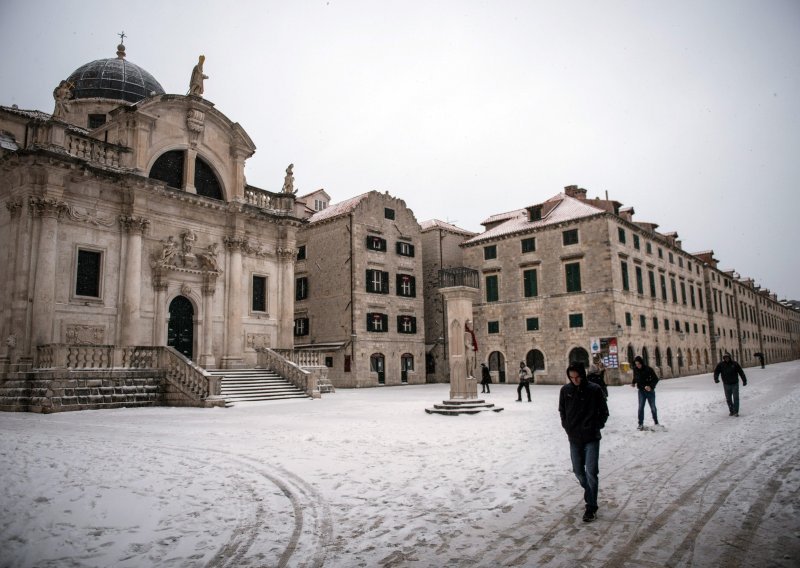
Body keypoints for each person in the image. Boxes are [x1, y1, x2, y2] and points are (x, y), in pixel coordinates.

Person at [559, 362, 609, 523]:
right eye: (572, 378)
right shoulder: (565, 391)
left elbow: (604, 412)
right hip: (574, 438)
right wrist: (567, 427)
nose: (575, 380)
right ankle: (590, 492)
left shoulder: (594, 390)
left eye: (577, 377)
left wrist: (596, 425)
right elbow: (562, 411)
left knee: (591, 472)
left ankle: (591, 506)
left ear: (582, 375)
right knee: (578, 471)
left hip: (591, 437)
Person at [631, 356, 659, 430]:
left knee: (653, 407)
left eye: (639, 364)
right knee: (640, 407)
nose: (638, 365)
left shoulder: (648, 369)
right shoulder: (635, 369)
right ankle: (640, 423)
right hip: (641, 391)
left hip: (650, 391)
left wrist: (650, 386)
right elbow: (635, 377)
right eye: (636, 364)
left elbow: (656, 379)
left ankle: (656, 422)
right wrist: (633, 383)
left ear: (642, 363)